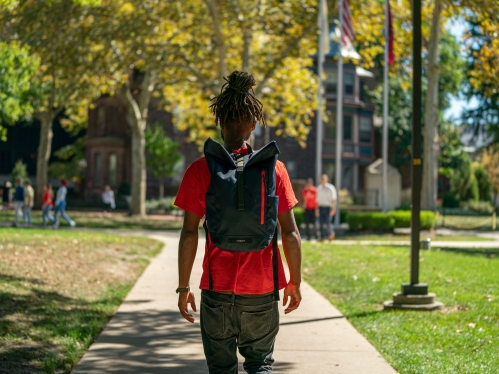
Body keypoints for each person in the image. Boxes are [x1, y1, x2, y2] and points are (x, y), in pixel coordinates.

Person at [175, 71, 302, 374]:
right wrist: (294, 281)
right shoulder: (276, 169)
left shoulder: (199, 169)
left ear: (219, 121)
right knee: (260, 366)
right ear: (254, 123)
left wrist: (183, 287)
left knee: (221, 370)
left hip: (216, 292)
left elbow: (189, 232)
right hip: (262, 291)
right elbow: (291, 232)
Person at [316, 174, 337, 241]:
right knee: (321, 223)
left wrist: (333, 208)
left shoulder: (330, 188)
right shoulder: (319, 188)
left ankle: (331, 234)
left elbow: (333, 199)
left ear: (326, 180)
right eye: (321, 179)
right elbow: (317, 200)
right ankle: (322, 237)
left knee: (328, 222)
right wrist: (316, 209)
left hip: (328, 207)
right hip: (321, 207)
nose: (322, 180)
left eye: (323, 179)